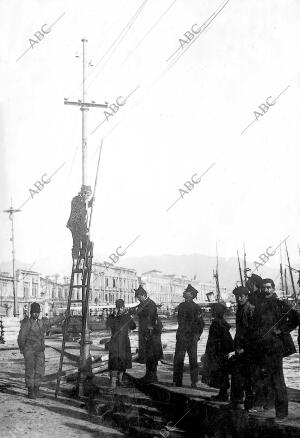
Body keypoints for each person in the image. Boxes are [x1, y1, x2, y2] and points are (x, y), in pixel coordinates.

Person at [254, 278, 298, 421]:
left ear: (273, 289)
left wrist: (282, 330)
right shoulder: (259, 305)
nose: (266, 290)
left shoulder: (280, 304)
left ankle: (282, 413)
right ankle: (266, 405)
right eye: (263, 288)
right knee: (263, 377)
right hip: (261, 347)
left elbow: (296, 318)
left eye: (268, 287)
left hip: (275, 347)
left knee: (278, 380)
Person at [230, 286, 256, 410]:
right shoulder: (240, 309)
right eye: (237, 296)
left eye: (241, 296)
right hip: (240, 347)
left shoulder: (250, 310)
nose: (239, 298)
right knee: (238, 374)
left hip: (248, 349)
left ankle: (248, 403)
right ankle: (238, 401)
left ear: (247, 297)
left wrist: (244, 348)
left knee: (248, 376)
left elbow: (252, 332)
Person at [173, 284, 204, 388]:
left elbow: (200, 324)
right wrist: (197, 336)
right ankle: (192, 382)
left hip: (185, 337)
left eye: (186, 291)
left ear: (191, 295)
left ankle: (179, 382)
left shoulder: (187, 306)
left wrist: (196, 335)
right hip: (188, 337)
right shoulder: (192, 307)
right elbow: (201, 324)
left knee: (182, 359)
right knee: (191, 360)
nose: (184, 292)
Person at [202, 302, 234, 401]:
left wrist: (210, 353)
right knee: (221, 374)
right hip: (219, 353)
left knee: (220, 374)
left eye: (213, 310)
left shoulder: (217, 324)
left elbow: (218, 341)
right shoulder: (220, 323)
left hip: (217, 354)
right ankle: (222, 394)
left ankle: (223, 395)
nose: (211, 312)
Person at [134, 285, 163, 384]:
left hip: (151, 334)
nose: (138, 299)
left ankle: (152, 376)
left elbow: (149, 318)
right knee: (148, 355)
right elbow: (137, 310)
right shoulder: (143, 303)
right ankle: (148, 375)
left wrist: (148, 332)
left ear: (143, 295)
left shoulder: (150, 304)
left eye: (138, 297)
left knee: (152, 355)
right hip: (145, 334)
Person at [17, 302, 46, 399]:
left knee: (40, 370)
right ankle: (30, 391)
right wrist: (22, 348)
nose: (36, 314)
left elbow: (51, 321)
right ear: (30, 312)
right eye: (34, 312)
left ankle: (37, 390)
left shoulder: (41, 322)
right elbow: (21, 337)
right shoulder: (27, 323)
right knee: (30, 370)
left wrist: (63, 316)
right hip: (29, 350)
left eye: (38, 312)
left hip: (39, 350)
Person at [106, 299, 136, 388]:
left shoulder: (126, 316)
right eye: (119, 307)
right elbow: (108, 325)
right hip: (117, 342)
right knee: (115, 362)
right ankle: (113, 383)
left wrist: (128, 317)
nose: (120, 309)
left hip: (122, 342)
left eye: (120, 308)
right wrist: (115, 316)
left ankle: (119, 380)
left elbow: (133, 326)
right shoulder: (113, 316)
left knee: (122, 362)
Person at [67, 185, 93, 259]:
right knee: (77, 244)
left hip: (80, 225)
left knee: (86, 243)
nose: (88, 197)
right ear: (83, 193)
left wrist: (90, 202)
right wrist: (85, 230)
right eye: (88, 195)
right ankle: (76, 262)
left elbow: (85, 206)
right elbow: (81, 210)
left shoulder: (81, 200)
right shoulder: (76, 200)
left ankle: (81, 259)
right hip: (75, 225)